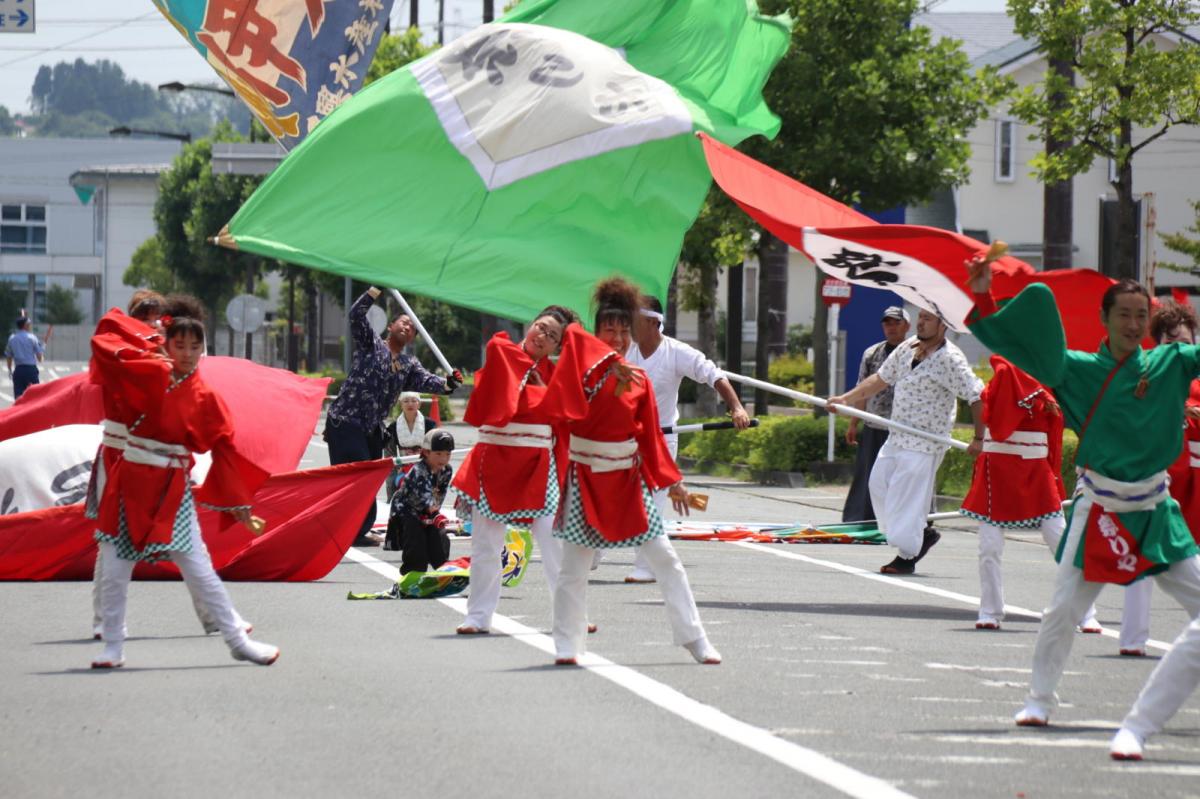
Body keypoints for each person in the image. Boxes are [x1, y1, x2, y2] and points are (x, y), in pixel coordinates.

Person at [964, 258, 1200, 760]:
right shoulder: (1075, 369)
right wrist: (984, 298)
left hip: (1157, 511)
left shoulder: (1172, 362)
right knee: (1062, 610)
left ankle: (1141, 722)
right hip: (1100, 509)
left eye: (1142, 315)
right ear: (1105, 318)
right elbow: (1016, 345)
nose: (1134, 325)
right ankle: (1038, 699)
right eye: (1124, 315)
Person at [89, 295, 278, 668]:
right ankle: (112, 644)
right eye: (180, 345)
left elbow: (225, 447)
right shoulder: (145, 370)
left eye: (196, 346)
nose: (188, 353)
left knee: (198, 567)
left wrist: (236, 500)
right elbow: (105, 339)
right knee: (114, 569)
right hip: (128, 482)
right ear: (165, 342)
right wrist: (149, 348)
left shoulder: (204, 395)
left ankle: (237, 639)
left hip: (171, 489)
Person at [548, 277, 720, 666]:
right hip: (586, 480)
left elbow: (650, 438)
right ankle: (567, 644)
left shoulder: (637, 378)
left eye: (624, 331)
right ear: (597, 332)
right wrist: (606, 365)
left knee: (666, 560)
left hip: (627, 480)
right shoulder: (577, 369)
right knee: (574, 569)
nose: (619, 338)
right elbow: (565, 389)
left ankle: (695, 637)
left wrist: (672, 480)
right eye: (610, 329)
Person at [452, 305, 579, 635]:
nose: (543, 336)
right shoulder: (501, 350)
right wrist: (543, 393)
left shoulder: (557, 375)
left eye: (552, 336)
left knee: (552, 539)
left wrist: (545, 391)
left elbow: (565, 416)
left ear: (558, 346)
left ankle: (570, 613)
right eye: (541, 327)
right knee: (486, 544)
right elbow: (511, 399)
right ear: (531, 325)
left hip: (537, 465)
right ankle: (478, 616)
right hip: (494, 461)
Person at [828, 309, 984, 575]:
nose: (921, 323)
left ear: (943, 325)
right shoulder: (907, 347)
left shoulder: (951, 359)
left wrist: (979, 438)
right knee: (878, 485)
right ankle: (920, 532)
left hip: (925, 441)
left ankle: (907, 554)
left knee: (906, 497)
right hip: (897, 434)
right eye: (920, 317)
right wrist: (847, 399)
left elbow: (977, 396)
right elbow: (880, 379)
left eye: (928, 319)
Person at [959, 355, 1099, 632]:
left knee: (1061, 542)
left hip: (1036, 473)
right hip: (996, 474)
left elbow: (1058, 437)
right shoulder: (999, 383)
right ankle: (990, 610)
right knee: (989, 547)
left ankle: (1085, 611)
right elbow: (998, 415)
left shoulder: (1050, 386)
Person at [618, 293, 752, 583]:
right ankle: (593, 551)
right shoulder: (625, 350)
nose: (629, 327)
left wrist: (736, 407)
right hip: (624, 437)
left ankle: (646, 566)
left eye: (635, 321)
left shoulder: (676, 352)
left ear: (654, 323)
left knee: (651, 504)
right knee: (614, 497)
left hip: (661, 439)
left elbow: (713, 375)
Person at [324, 287, 462, 546]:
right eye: (404, 322)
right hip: (346, 422)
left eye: (412, 328)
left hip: (371, 429)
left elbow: (431, 382)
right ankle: (343, 529)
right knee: (352, 478)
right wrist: (375, 290)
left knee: (369, 479)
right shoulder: (371, 344)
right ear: (390, 326)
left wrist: (450, 383)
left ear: (411, 338)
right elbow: (356, 315)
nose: (407, 328)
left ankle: (357, 530)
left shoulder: (409, 365)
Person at [842, 307, 910, 523]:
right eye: (887, 323)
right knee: (869, 475)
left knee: (903, 476)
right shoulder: (872, 354)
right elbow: (863, 389)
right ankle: (862, 518)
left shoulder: (917, 352)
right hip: (874, 424)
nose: (891, 327)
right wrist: (854, 423)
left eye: (896, 323)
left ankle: (904, 520)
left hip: (905, 426)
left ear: (906, 326)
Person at [392, 429, 455, 575]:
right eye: (438, 454)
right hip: (406, 510)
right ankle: (413, 573)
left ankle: (443, 570)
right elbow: (421, 497)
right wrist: (432, 512)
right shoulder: (419, 470)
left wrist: (435, 512)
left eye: (447, 454)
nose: (443, 459)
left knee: (439, 537)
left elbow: (440, 493)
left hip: (429, 510)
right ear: (426, 452)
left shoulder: (446, 470)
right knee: (416, 539)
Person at [5, 316, 44, 399]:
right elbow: (40, 358)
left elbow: (9, 357)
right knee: (35, 397)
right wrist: (42, 352)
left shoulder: (12, 338)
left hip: (19, 370)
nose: (30, 326)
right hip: (31, 370)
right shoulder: (32, 338)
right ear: (25, 325)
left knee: (19, 398)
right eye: (29, 324)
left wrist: (9, 369)